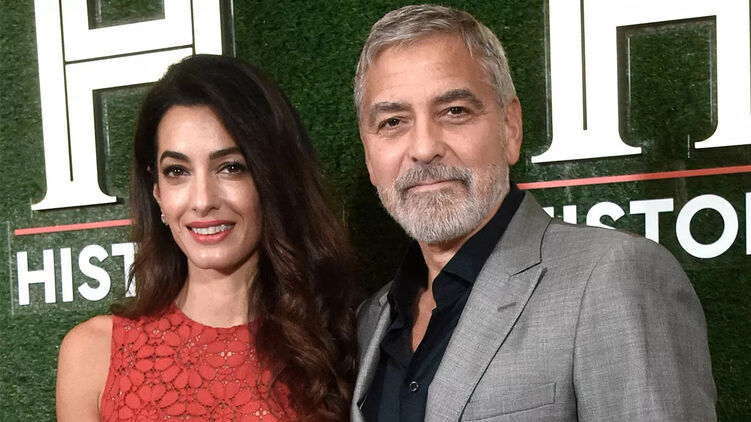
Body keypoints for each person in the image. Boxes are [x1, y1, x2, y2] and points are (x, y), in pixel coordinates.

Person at [351, 4, 716, 421]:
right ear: (369, 153)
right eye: (393, 121)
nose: (423, 147)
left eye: (455, 111)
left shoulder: (613, 277)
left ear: (510, 128)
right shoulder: (370, 321)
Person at [57, 54, 356, 422]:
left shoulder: (341, 344)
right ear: (156, 192)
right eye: (177, 171)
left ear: (272, 179)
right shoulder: (93, 354)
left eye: (230, 167)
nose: (202, 200)